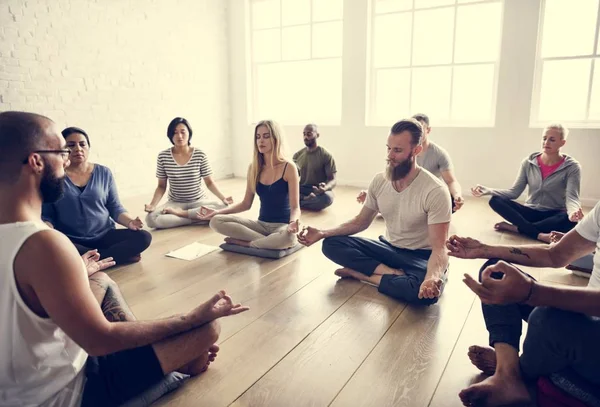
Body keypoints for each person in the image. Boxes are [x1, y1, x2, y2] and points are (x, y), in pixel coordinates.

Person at [0, 111, 250, 406]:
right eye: (61, 151)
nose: (68, 159)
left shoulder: (30, 240)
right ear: (36, 161)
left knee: (101, 278)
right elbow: (100, 340)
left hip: (17, 383)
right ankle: (168, 375)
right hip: (67, 391)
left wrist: (77, 270)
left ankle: (161, 363)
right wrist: (189, 319)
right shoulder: (45, 244)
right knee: (208, 329)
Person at [446, 200, 600, 407]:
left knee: (548, 320)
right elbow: (556, 254)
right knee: (496, 273)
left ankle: (519, 370)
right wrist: (485, 249)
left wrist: (532, 292)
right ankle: (507, 374)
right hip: (586, 325)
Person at [298, 119, 451, 305]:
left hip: (420, 257)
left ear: (417, 150)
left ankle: (362, 274)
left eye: (397, 150)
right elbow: (360, 222)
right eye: (388, 148)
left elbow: (439, 248)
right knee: (331, 244)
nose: (390, 156)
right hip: (388, 248)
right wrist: (323, 233)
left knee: (424, 293)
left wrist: (432, 277)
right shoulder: (380, 181)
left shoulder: (435, 191)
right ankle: (391, 273)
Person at [42, 126, 152, 265]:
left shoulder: (104, 172)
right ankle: (112, 256)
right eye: (71, 145)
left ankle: (90, 260)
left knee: (143, 237)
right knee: (56, 248)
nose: (78, 149)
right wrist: (49, 234)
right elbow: (47, 215)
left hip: (104, 235)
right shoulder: (53, 177)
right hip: (72, 239)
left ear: (88, 147)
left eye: (82, 144)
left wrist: (130, 222)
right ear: (62, 150)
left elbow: (114, 206)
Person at [196, 120, 301, 250]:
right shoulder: (254, 168)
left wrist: (292, 223)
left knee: (289, 238)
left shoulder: (289, 167)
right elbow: (246, 204)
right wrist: (217, 212)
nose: (261, 141)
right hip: (260, 226)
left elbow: (295, 207)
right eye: (258, 137)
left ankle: (247, 243)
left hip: (282, 227)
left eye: (266, 136)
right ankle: (267, 242)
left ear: (276, 138)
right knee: (215, 221)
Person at [471, 124, 583, 243]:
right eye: (544, 138)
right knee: (495, 200)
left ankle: (516, 228)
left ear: (562, 142)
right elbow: (514, 192)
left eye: (552, 139)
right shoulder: (528, 162)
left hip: (553, 214)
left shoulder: (572, 167)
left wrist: (573, 213)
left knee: (568, 220)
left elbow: (572, 197)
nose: (546, 142)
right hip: (530, 211)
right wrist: (488, 191)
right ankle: (539, 234)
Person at [357, 113, 464, 212]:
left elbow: (451, 181)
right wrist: (372, 194)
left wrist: (457, 196)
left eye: (420, 128)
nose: (417, 133)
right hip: (406, 192)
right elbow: (393, 180)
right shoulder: (398, 153)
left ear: (428, 130)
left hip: (427, 195)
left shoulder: (439, 154)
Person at [144, 117, 233, 229]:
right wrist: (153, 205)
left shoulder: (199, 154)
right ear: (170, 135)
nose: (179, 136)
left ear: (189, 133)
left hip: (199, 201)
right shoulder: (163, 156)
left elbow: (209, 182)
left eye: (183, 132)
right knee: (151, 219)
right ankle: (198, 219)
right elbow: (161, 186)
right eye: (175, 133)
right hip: (175, 203)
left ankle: (183, 216)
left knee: (223, 207)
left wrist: (223, 198)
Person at [293, 123, 337, 211]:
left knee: (327, 198)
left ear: (317, 135)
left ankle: (297, 203)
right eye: (304, 134)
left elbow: (333, 180)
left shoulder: (325, 155)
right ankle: (305, 199)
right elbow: (291, 177)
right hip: (302, 189)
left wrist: (325, 188)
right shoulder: (297, 155)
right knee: (281, 191)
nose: (306, 137)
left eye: (309, 134)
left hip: (318, 191)